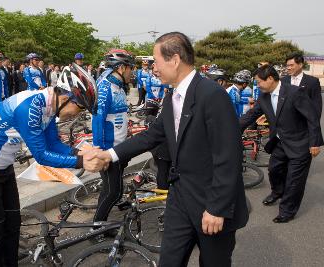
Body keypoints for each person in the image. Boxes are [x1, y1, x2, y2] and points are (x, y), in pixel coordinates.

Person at [96, 32, 248, 267]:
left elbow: (229, 156)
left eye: (156, 61)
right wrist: (110, 154)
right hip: (180, 198)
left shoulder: (212, 95)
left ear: (174, 60)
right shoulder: (173, 97)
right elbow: (152, 136)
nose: (153, 68)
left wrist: (217, 208)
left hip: (210, 201)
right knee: (170, 260)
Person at [0, 63, 103, 267]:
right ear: (66, 98)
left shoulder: (48, 105)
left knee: (13, 225)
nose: (78, 115)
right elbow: (42, 156)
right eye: (80, 108)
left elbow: (53, 144)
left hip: (3, 167)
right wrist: (82, 161)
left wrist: (82, 152)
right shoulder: (30, 108)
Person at [240, 64, 323, 223]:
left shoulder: (294, 92)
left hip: (300, 143)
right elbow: (251, 115)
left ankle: (287, 211)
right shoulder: (264, 96)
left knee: (294, 180)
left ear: (270, 78)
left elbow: (312, 117)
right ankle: (277, 192)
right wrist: (231, 130)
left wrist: (315, 142)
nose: (257, 85)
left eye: (259, 82)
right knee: (274, 170)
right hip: (279, 143)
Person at [91, 49, 135, 223]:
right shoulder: (105, 87)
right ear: (122, 68)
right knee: (113, 192)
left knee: (110, 191)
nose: (133, 72)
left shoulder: (118, 85)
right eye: (131, 68)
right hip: (109, 150)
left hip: (119, 147)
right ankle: (96, 228)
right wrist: (100, 152)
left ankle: (99, 224)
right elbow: (97, 121)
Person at [282, 52, 322, 118]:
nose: (288, 68)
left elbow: (317, 106)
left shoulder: (312, 82)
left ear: (300, 65)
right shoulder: (283, 81)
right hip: (286, 124)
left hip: (304, 124)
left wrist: (314, 125)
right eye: (287, 65)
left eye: (291, 65)